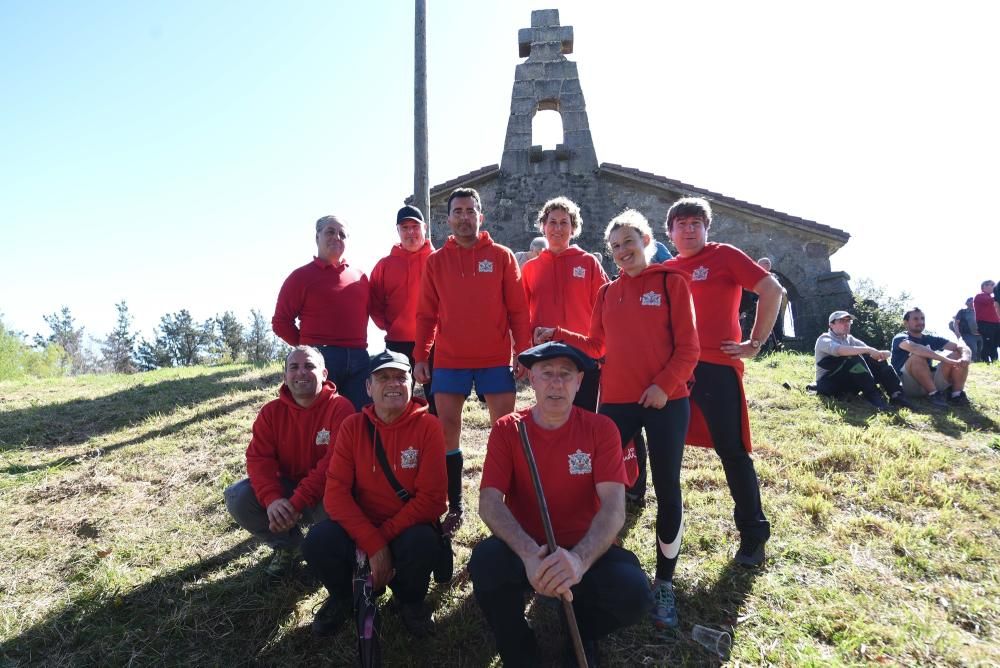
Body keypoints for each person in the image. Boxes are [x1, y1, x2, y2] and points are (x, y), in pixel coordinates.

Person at [536, 209, 699, 629]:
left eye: (628, 242)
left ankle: (664, 583)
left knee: (667, 487)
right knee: (591, 478)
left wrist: (663, 385)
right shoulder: (607, 294)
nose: (622, 252)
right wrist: (559, 333)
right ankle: (581, 561)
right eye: (615, 247)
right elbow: (595, 346)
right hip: (617, 403)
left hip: (667, 400)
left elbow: (689, 349)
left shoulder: (670, 282)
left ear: (646, 240)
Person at [470, 342, 653, 666]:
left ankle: (581, 632)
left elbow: (613, 507)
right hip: (528, 551)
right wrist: (528, 553)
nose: (556, 383)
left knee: (634, 592)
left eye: (565, 375)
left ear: (580, 382)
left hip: (585, 549)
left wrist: (579, 561)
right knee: (485, 564)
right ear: (532, 379)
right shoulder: (508, 429)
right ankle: (518, 645)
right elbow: (489, 503)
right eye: (547, 374)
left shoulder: (601, 429)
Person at [665, 197, 783, 568]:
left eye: (695, 223)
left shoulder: (724, 255)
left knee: (732, 451)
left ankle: (753, 535)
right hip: (675, 370)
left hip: (716, 365)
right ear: (669, 232)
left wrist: (754, 342)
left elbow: (772, 290)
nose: (688, 229)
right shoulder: (666, 269)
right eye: (681, 223)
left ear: (706, 228)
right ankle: (662, 530)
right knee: (666, 453)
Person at [302, 350, 447, 640]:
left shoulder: (429, 425)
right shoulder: (352, 427)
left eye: (400, 377)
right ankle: (344, 598)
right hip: (361, 532)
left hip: (405, 531)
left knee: (422, 541)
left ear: (412, 385)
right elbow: (335, 496)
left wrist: (381, 541)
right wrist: (371, 542)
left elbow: (432, 500)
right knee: (318, 540)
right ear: (368, 387)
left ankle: (409, 602)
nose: (393, 383)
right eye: (383, 378)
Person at [414, 187, 532, 537]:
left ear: (481, 216)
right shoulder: (436, 261)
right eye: (458, 211)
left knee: (505, 430)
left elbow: (518, 310)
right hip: (450, 361)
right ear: (448, 219)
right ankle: (455, 504)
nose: (464, 217)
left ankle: (510, 502)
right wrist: (421, 356)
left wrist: (521, 351)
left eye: (470, 210)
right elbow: (425, 314)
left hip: (495, 360)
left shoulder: (501, 256)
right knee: (447, 429)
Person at [224, 346, 355, 577]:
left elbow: (333, 464)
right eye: (294, 367)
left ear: (324, 374)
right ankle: (288, 546)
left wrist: (296, 503)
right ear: (285, 376)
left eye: (309, 366)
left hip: (325, 493)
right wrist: (273, 500)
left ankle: (331, 554)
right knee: (237, 497)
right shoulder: (270, 413)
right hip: (286, 492)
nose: (301, 372)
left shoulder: (340, 408)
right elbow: (258, 459)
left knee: (342, 507)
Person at [272, 215, 370, 410]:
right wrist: (308, 349)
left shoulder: (360, 277)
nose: (337, 237)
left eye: (342, 234)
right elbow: (281, 322)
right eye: (330, 232)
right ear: (317, 237)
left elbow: (375, 312)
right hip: (321, 357)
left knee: (362, 419)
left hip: (359, 358)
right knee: (319, 418)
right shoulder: (300, 277)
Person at [522, 196, 608, 410]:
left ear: (573, 228)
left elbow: (607, 308)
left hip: (584, 355)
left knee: (583, 416)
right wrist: (526, 343)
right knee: (550, 415)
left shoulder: (588, 262)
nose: (557, 228)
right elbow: (521, 313)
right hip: (545, 355)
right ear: (543, 226)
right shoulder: (531, 268)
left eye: (564, 223)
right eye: (552, 222)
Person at [369, 205, 436, 410]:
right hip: (398, 343)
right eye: (405, 227)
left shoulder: (438, 260)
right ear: (397, 231)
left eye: (415, 227)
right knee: (396, 402)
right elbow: (374, 300)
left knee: (438, 403)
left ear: (424, 228)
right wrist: (390, 325)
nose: (410, 232)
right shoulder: (385, 265)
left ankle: (440, 442)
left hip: (436, 343)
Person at [814, 311, 912, 411]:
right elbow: (840, 350)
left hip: (847, 382)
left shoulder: (849, 339)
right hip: (828, 384)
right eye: (842, 321)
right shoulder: (824, 339)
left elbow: (871, 351)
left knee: (876, 360)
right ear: (831, 325)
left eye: (848, 321)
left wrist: (884, 354)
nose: (846, 323)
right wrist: (868, 350)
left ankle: (897, 395)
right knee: (854, 357)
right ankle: (874, 396)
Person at [890, 307, 972, 406]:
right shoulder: (900, 338)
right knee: (917, 356)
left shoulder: (929, 339)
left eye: (922, 318)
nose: (920, 322)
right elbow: (916, 348)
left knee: (958, 354)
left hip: (929, 380)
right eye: (916, 319)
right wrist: (946, 360)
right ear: (906, 323)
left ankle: (956, 395)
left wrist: (965, 358)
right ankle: (933, 394)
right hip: (908, 385)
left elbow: (960, 346)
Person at [973, 280, 1000, 364]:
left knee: (994, 344)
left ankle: (995, 361)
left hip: (995, 324)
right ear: (984, 286)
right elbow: (993, 301)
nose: (994, 287)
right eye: (992, 285)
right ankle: (985, 361)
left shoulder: (992, 297)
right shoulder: (980, 296)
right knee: (987, 343)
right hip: (985, 324)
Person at [953, 297, 982, 362]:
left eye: (974, 301)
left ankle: (978, 364)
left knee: (981, 351)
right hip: (968, 334)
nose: (973, 302)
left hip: (980, 334)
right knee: (973, 349)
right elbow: (956, 323)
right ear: (967, 303)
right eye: (971, 301)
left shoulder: (979, 311)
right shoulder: (962, 312)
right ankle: (971, 363)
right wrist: (957, 333)